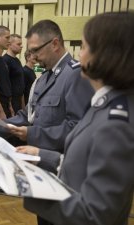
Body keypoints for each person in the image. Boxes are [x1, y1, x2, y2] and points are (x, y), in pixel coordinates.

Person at [16, 11, 134, 225]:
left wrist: (30, 189)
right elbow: (84, 161)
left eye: (85, 47)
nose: (79, 55)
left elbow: (96, 215)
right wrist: (42, 155)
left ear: (108, 55)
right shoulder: (105, 103)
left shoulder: (116, 123)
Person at [0, 19, 94, 225]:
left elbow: (78, 129)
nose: (32, 56)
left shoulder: (75, 75)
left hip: (63, 172)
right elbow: (27, 115)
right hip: (41, 171)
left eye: (35, 50)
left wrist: (31, 134)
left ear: (55, 44)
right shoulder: (45, 78)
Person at [3, 34, 25, 114]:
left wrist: (23, 105)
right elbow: (4, 86)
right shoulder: (5, 61)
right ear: (9, 45)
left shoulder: (17, 61)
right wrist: (9, 106)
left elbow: (20, 84)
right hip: (11, 103)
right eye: (19, 44)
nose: (21, 46)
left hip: (18, 101)